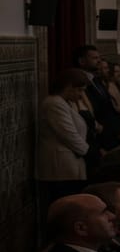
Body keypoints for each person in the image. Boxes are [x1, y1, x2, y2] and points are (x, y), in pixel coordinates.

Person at [39, 68, 94, 207]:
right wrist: (88, 151)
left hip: (70, 165)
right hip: (61, 168)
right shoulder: (54, 103)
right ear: (69, 87)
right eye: (80, 90)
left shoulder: (65, 102)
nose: (81, 95)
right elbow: (68, 134)